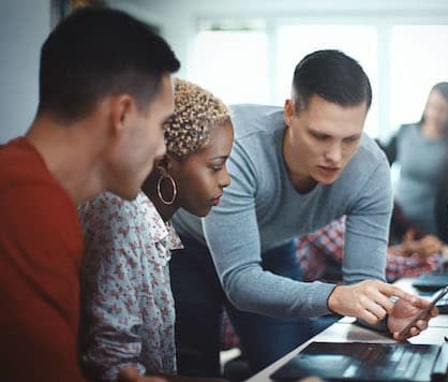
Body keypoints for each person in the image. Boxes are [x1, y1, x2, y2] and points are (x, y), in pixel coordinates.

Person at [169, 49, 436, 377]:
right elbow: (240, 281)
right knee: (194, 369)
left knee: (289, 362)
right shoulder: (239, 149)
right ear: (290, 112)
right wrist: (334, 296)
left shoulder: (370, 169)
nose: (335, 156)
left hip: (271, 245)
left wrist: (385, 315)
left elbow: (363, 284)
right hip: (187, 245)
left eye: (350, 139)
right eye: (320, 136)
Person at [0, 7, 180, 382]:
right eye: (162, 125)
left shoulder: (27, 185)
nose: (163, 149)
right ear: (123, 114)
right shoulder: (30, 207)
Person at [78, 78, 234, 382]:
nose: (226, 179)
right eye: (216, 166)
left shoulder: (152, 220)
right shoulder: (122, 214)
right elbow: (114, 368)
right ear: (165, 163)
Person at [383, 82, 448, 242]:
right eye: (431, 106)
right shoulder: (405, 132)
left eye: (442, 109)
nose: (434, 114)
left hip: (433, 227)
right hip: (398, 221)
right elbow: (381, 164)